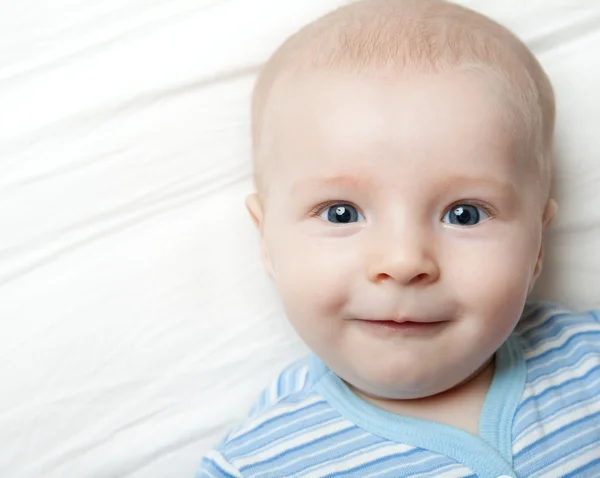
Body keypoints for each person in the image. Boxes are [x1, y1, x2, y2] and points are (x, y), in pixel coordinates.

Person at [197, 0, 600, 476]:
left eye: (465, 214)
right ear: (266, 241)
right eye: (341, 213)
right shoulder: (255, 462)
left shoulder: (588, 358)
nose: (405, 260)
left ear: (537, 245)